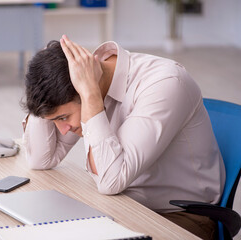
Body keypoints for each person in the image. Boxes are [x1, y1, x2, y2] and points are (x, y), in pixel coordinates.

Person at [21, 35, 225, 239]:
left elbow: (110, 182)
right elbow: (41, 159)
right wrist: (41, 83)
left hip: (179, 218)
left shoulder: (164, 84)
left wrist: (91, 96)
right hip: (122, 205)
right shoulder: (83, 83)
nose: (62, 130)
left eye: (63, 118)